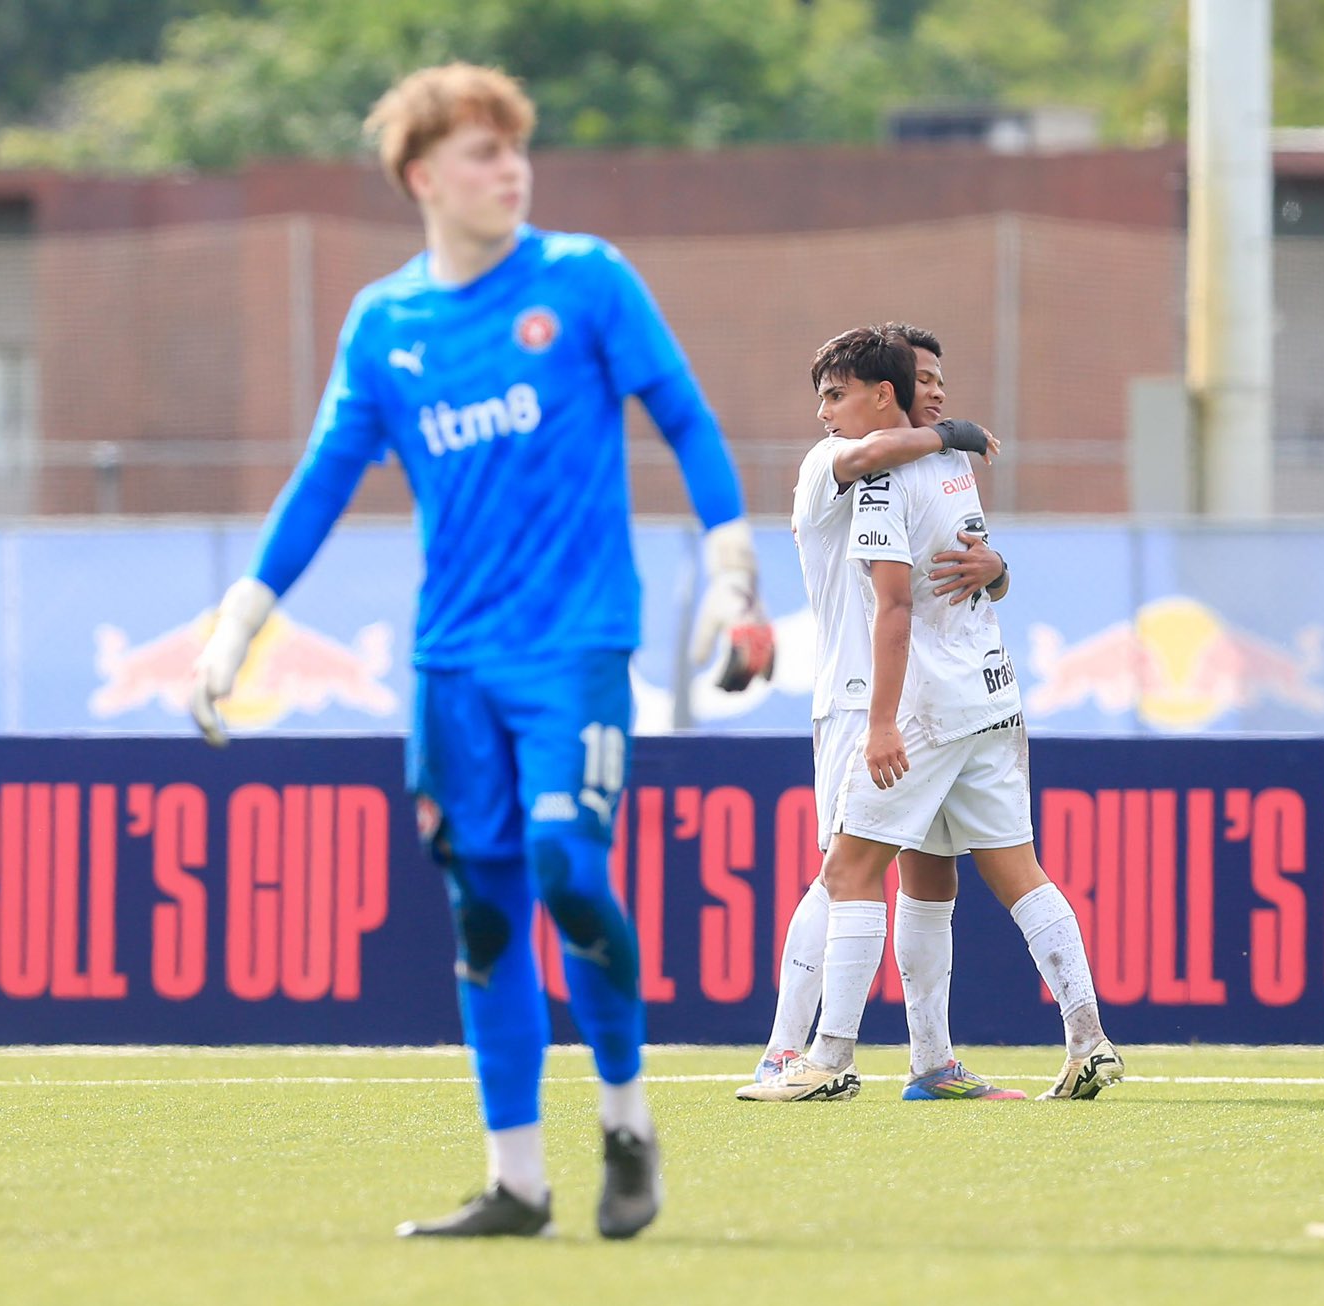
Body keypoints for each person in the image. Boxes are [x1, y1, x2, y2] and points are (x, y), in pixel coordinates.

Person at [185, 63, 775, 1239]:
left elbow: (686, 418)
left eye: (515, 149)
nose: (509, 170)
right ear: (420, 178)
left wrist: (729, 568)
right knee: (485, 914)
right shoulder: (384, 323)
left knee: (567, 865)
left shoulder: (585, 280)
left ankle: (624, 1120)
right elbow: (322, 481)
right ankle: (514, 1182)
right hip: (452, 663)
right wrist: (241, 615)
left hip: (574, 647)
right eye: (479, 153)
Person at [741, 327, 1123, 1104]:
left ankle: (809, 1057)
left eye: (835, 395)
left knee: (843, 875)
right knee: (944, 877)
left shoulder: (910, 471)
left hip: (890, 703)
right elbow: (934, 540)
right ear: (900, 394)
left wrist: (1000, 568)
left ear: (879, 394)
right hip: (983, 699)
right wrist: (954, 439)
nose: (939, 391)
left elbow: (905, 598)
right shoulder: (894, 460)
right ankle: (1037, 1044)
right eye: (927, 378)